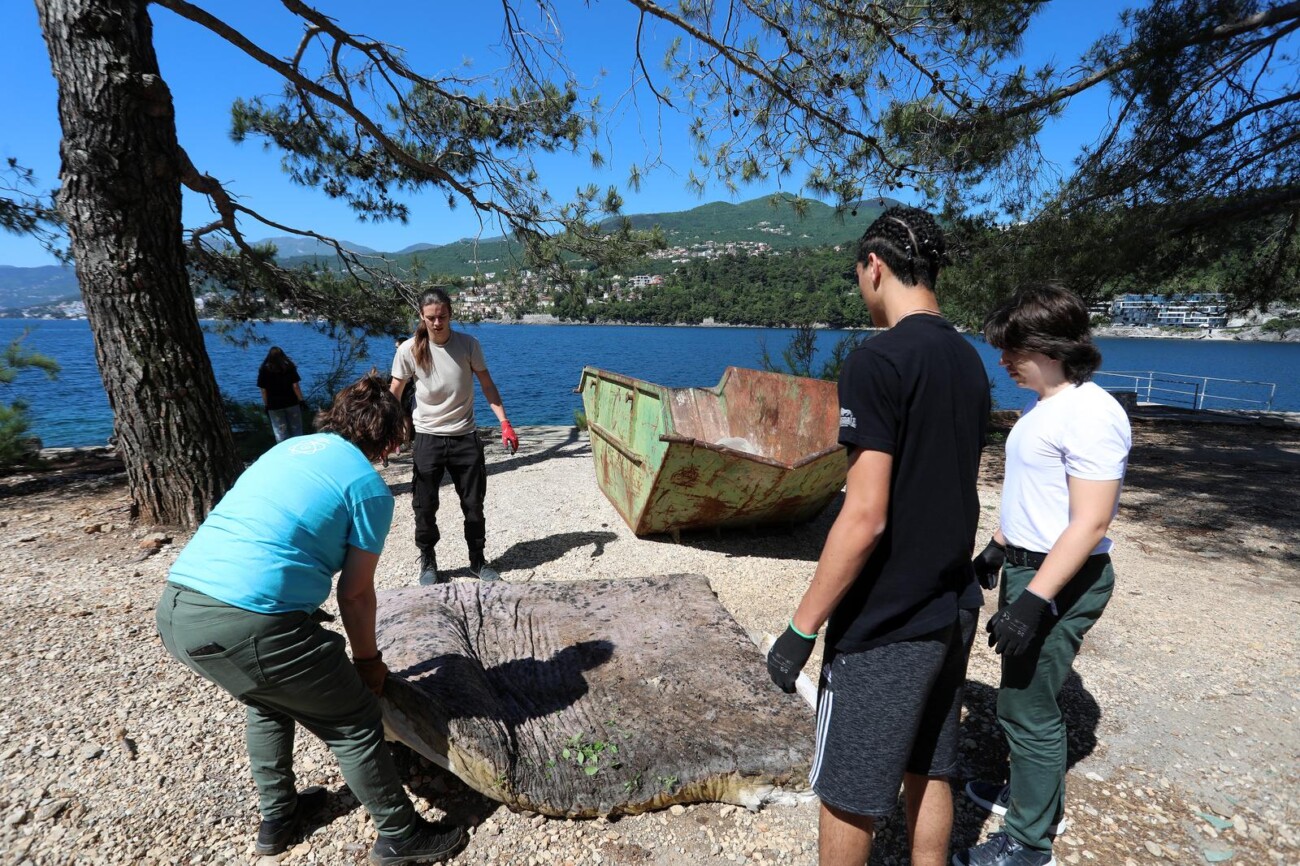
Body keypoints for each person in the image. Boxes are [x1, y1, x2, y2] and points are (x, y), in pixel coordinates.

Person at [155, 374, 466, 865]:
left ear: (337, 417)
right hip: (249, 622)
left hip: (178, 609)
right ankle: (400, 836)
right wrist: (368, 664)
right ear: (388, 441)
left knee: (267, 698)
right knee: (354, 721)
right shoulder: (367, 489)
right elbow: (356, 594)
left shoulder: (286, 450)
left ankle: (279, 818)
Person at [766, 206, 990, 866]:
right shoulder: (969, 360)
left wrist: (801, 630)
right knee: (930, 767)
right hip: (953, 605)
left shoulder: (878, 361)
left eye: (858, 275)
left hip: (887, 620)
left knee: (848, 791)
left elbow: (865, 516)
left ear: (875, 266)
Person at [954, 284, 1131, 866]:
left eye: (1012, 349)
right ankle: (1031, 795)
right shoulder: (1046, 406)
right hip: (1032, 565)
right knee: (1022, 697)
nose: (1002, 361)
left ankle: (1030, 843)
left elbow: (1090, 521)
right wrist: (999, 547)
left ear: (1049, 346)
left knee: (1026, 708)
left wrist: (1032, 601)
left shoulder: (1092, 413)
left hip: (1063, 576)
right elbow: (1040, 499)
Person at [390, 288, 518, 586]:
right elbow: (394, 394)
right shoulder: (408, 349)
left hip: (465, 437)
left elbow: (487, 385)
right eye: (431, 318)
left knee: (473, 504)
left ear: (451, 314)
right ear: (421, 316)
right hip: (428, 438)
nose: (437, 323)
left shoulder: (468, 345)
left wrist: (505, 422)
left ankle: (477, 560)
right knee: (424, 505)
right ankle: (428, 562)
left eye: (443, 317)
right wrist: (388, 432)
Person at [257, 346, 305, 442]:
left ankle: (284, 452)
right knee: (297, 430)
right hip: (291, 403)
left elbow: (263, 390)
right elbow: (295, 386)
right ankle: (299, 449)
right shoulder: (289, 368)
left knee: (280, 432)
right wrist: (301, 400)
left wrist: (266, 405)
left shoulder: (264, 370)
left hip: (274, 405)